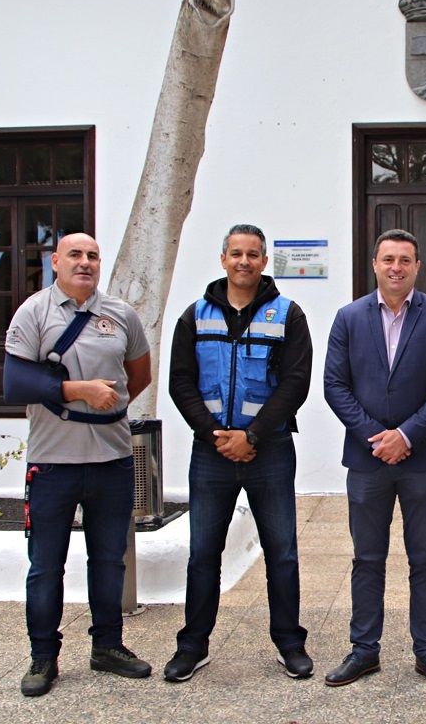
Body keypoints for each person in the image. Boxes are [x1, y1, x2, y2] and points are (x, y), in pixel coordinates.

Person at [3, 232, 153, 697]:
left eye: (92, 256)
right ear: (55, 262)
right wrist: (79, 390)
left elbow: (140, 373)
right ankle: (42, 656)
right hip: (53, 464)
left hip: (111, 459)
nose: (85, 263)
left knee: (109, 560)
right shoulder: (34, 312)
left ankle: (108, 646)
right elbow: (14, 383)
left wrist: (104, 402)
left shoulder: (120, 314)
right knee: (46, 566)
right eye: (75, 255)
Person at [164, 224, 314, 683]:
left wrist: (252, 437)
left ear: (265, 262)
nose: (244, 261)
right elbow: (180, 382)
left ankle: (290, 643)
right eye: (236, 253)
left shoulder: (288, 315)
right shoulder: (196, 315)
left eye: (253, 254)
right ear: (223, 258)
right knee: (203, 554)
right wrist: (215, 434)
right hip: (211, 454)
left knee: (282, 552)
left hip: (269, 452)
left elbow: (295, 384)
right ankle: (193, 646)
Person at [322, 228, 426, 690]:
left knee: (425, 558)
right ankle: (364, 650)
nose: (396, 267)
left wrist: (405, 435)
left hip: (422, 459)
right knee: (367, 558)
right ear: (375, 264)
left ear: (418, 266)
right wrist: (375, 437)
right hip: (367, 462)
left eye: (405, 260)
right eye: (388, 259)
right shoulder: (348, 317)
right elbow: (335, 386)